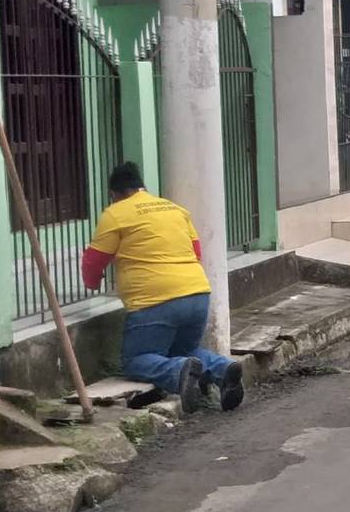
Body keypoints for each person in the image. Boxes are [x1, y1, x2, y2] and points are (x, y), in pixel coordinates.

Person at [81, 163, 244, 414]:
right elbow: (196, 251)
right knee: (184, 350)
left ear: (115, 193)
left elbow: (94, 259)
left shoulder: (115, 213)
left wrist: (92, 283)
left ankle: (178, 372)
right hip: (197, 292)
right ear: (141, 187)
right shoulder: (174, 209)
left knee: (137, 359)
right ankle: (222, 369)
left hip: (154, 300)